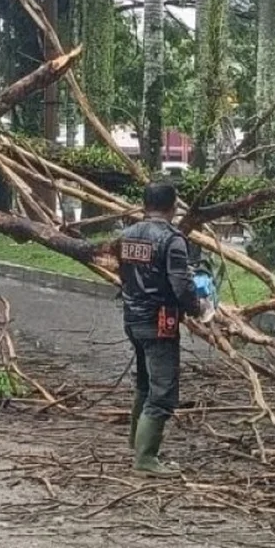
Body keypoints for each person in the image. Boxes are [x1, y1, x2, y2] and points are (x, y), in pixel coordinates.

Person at [117, 181, 208, 477]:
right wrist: (198, 308)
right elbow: (180, 284)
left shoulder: (126, 235)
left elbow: (128, 275)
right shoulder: (172, 240)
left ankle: (136, 444)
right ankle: (145, 458)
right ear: (173, 206)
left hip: (132, 319)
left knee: (144, 383)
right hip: (160, 323)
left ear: (145, 205)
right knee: (163, 391)